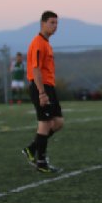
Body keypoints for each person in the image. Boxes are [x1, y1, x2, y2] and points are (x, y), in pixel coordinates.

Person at [21, 11, 64, 173]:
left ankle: (32, 149)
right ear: (43, 23)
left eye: (56, 23)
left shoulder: (46, 43)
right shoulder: (38, 43)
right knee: (45, 123)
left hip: (48, 86)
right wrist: (41, 93)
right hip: (41, 87)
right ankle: (41, 162)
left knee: (58, 122)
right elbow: (36, 69)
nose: (55, 26)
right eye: (52, 22)